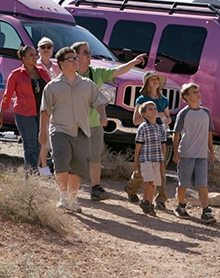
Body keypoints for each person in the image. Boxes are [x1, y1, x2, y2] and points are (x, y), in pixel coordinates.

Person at [38, 45, 108, 213]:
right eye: (71, 59)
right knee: (61, 161)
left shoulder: (87, 84)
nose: (75, 61)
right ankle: (63, 197)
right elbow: (45, 110)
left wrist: (102, 115)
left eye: (76, 58)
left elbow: (99, 101)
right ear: (61, 63)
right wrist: (42, 132)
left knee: (78, 167)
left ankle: (72, 199)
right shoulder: (52, 86)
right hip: (60, 130)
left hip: (82, 131)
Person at [73, 41, 146, 201]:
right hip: (74, 125)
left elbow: (117, 71)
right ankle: (70, 194)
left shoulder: (97, 72)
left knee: (95, 158)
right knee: (75, 160)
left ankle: (95, 188)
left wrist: (133, 62)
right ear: (75, 56)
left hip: (94, 125)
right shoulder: (69, 75)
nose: (89, 55)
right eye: (85, 52)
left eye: (89, 52)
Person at [0, 45, 51, 173]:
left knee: (40, 142)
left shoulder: (42, 72)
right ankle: (31, 172)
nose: (35, 57)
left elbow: (51, 90)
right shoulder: (16, 74)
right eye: (31, 55)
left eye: (35, 54)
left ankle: (38, 169)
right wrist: (1, 114)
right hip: (24, 113)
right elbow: (7, 95)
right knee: (30, 143)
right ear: (23, 58)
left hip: (41, 113)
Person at [171, 83, 217, 224]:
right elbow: (176, 134)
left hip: (201, 155)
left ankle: (206, 210)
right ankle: (180, 206)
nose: (198, 94)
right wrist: (175, 152)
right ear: (186, 97)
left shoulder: (206, 112)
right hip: (186, 154)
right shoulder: (183, 113)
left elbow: (209, 133)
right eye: (194, 92)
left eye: (198, 91)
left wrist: (211, 150)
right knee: (183, 183)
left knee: (202, 184)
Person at [125, 71, 172, 208]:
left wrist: (164, 118)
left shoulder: (164, 100)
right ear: (147, 83)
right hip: (146, 138)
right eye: (152, 80)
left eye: (157, 79)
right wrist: (153, 117)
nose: (155, 82)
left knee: (161, 170)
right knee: (141, 173)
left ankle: (161, 200)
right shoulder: (141, 100)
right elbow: (135, 120)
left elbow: (168, 118)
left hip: (161, 137)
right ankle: (130, 189)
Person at [133, 101, 166, 217]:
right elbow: (138, 145)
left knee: (154, 184)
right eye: (150, 109)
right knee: (149, 181)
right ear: (144, 114)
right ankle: (146, 201)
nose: (153, 111)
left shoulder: (160, 128)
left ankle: (149, 203)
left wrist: (163, 161)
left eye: (154, 108)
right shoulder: (143, 128)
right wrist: (136, 161)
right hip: (145, 158)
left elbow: (163, 145)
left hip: (156, 159)